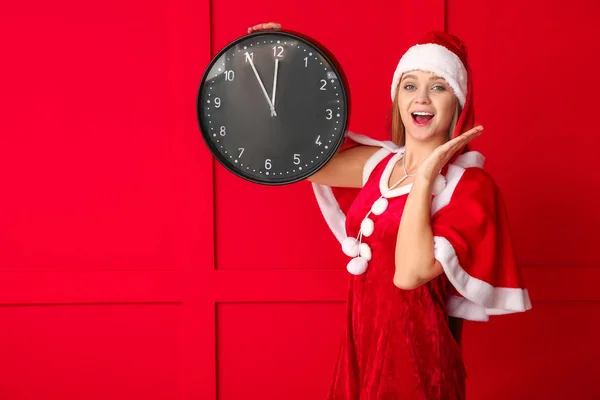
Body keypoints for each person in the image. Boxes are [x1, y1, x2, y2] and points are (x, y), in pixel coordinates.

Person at [249, 22, 532, 399]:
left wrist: (427, 173)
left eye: (438, 87)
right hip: (362, 342)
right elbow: (298, 157)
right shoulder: (381, 165)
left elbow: (410, 275)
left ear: (458, 103)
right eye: (410, 85)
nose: (422, 99)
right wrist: (279, 61)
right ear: (398, 96)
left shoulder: (471, 187)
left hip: (417, 358)